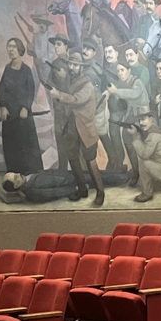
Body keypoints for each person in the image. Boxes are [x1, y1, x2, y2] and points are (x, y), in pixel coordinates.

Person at [47, 48, 105, 206]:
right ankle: (82, 189)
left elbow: (76, 99)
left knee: (90, 161)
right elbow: (66, 101)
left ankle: (100, 192)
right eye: (70, 64)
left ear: (81, 67)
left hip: (85, 128)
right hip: (72, 126)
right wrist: (58, 97)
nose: (72, 67)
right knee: (72, 157)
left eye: (75, 65)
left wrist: (59, 95)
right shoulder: (69, 81)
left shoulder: (87, 85)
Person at [0, 38, 44, 176]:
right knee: (11, 147)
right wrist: (3, 106)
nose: (11, 50)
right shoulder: (7, 69)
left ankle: (30, 176)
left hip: (23, 116)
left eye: (14, 47)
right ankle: (13, 176)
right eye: (9, 46)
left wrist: (25, 107)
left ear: (20, 50)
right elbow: (2, 90)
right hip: (9, 116)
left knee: (26, 146)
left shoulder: (26, 70)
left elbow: (30, 91)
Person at [130, 109, 161, 203]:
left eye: (143, 119)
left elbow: (144, 154)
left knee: (143, 162)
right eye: (139, 120)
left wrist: (135, 135)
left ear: (151, 120)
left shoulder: (153, 136)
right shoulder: (157, 130)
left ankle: (147, 193)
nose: (141, 123)